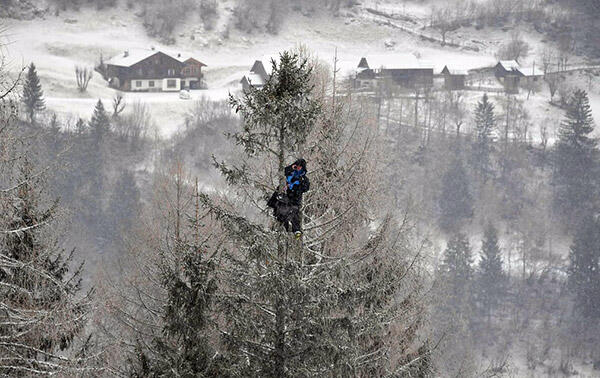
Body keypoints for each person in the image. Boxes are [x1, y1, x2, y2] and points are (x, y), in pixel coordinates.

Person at [267, 159, 310, 238]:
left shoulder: (304, 178)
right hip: (286, 194)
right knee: (280, 208)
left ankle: (296, 230)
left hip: (295, 197)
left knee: (294, 212)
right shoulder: (290, 173)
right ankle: (281, 226)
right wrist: (291, 167)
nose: (298, 168)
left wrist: (301, 182)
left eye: (300, 167)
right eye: (297, 166)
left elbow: (306, 188)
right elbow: (284, 171)